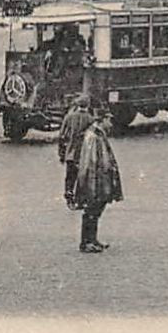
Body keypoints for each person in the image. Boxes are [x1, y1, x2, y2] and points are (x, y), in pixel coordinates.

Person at [60, 96, 123, 253]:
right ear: (102, 119)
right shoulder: (94, 136)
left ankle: (92, 240)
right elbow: (92, 161)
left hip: (92, 174)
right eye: (109, 120)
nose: (111, 123)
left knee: (95, 210)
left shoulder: (96, 132)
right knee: (92, 211)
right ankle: (86, 242)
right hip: (95, 179)